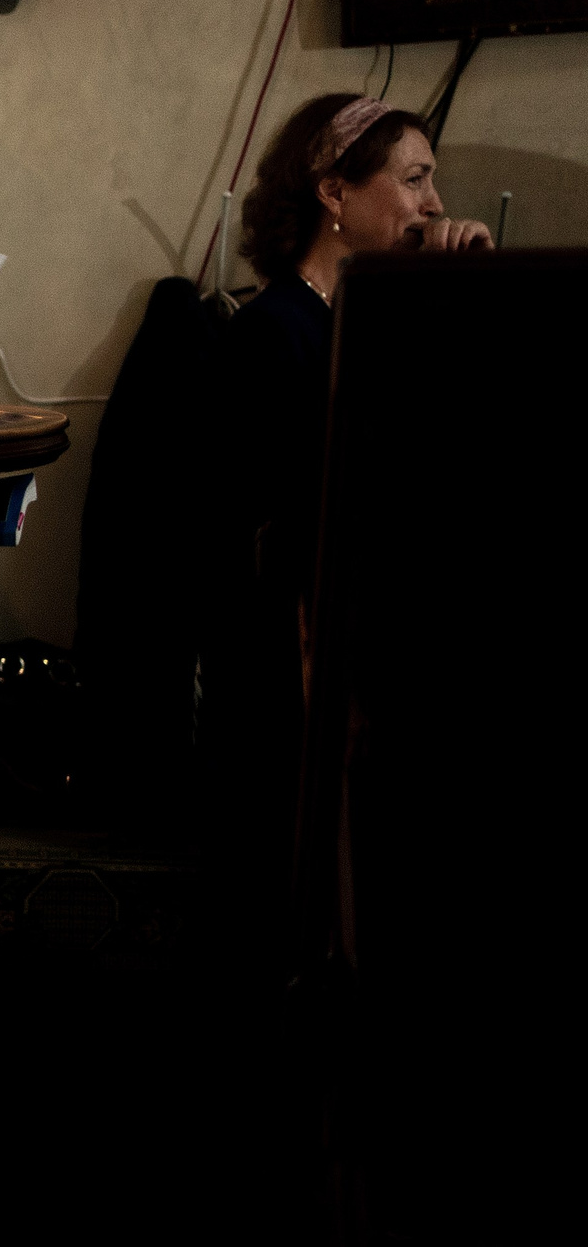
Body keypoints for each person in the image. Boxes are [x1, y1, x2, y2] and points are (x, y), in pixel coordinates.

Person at [202, 92, 492, 977]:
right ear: (334, 190)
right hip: (296, 686)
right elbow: (323, 511)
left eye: (432, 181)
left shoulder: (362, 318)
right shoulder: (274, 332)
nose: (434, 205)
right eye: (413, 179)